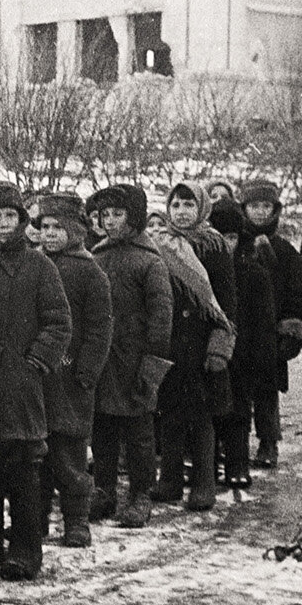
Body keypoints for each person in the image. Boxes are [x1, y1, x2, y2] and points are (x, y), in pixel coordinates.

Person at [0, 181, 72, 581]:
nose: (3, 225)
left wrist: (35, 362)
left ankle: (26, 548)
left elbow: (58, 322)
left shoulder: (40, 266)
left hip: (20, 385)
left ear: (22, 220)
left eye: (10, 216)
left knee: (24, 468)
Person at [84, 184, 173, 528]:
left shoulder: (150, 262)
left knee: (138, 433)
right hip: (103, 360)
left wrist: (151, 366)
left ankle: (140, 495)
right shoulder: (97, 256)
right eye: (104, 215)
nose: (109, 222)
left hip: (136, 361)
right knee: (102, 428)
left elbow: (161, 318)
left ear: (134, 217)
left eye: (118, 214)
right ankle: (103, 491)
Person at [151, 182, 237, 512]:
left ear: (201, 209)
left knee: (202, 418)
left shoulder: (214, 247)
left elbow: (227, 303)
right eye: (176, 206)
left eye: (189, 205)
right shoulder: (160, 245)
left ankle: (204, 483)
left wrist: (220, 348)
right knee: (169, 415)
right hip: (171, 342)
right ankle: (170, 479)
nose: (182, 212)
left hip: (201, 346)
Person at [37, 193, 113, 547]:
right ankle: (34, 521)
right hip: (37, 376)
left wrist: (86, 372)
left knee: (69, 456)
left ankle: (76, 521)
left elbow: (100, 329)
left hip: (70, 381)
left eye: (58, 227)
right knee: (33, 457)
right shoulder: (34, 266)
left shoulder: (89, 271)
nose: (50, 234)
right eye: (45, 226)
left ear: (77, 230)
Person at [238, 180, 302, 468]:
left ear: (275, 210)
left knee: (266, 389)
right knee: (238, 389)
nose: (259, 212)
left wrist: (292, 328)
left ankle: (269, 442)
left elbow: (298, 293)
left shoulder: (285, 251)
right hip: (242, 329)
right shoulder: (235, 245)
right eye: (253, 206)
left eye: (265, 206)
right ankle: (237, 440)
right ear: (244, 209)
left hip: (269, 333)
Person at [207, 201, 279, 495]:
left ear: (241, 238)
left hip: (243, 354)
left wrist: (262, 358)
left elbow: (264, 321)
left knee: (238, 411)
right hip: (211, 352)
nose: (226, 244)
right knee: (209, 412)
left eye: (232, 237)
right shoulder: (202, 271)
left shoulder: (253, 273)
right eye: (219, 236)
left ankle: (238, 465)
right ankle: (207, 465)